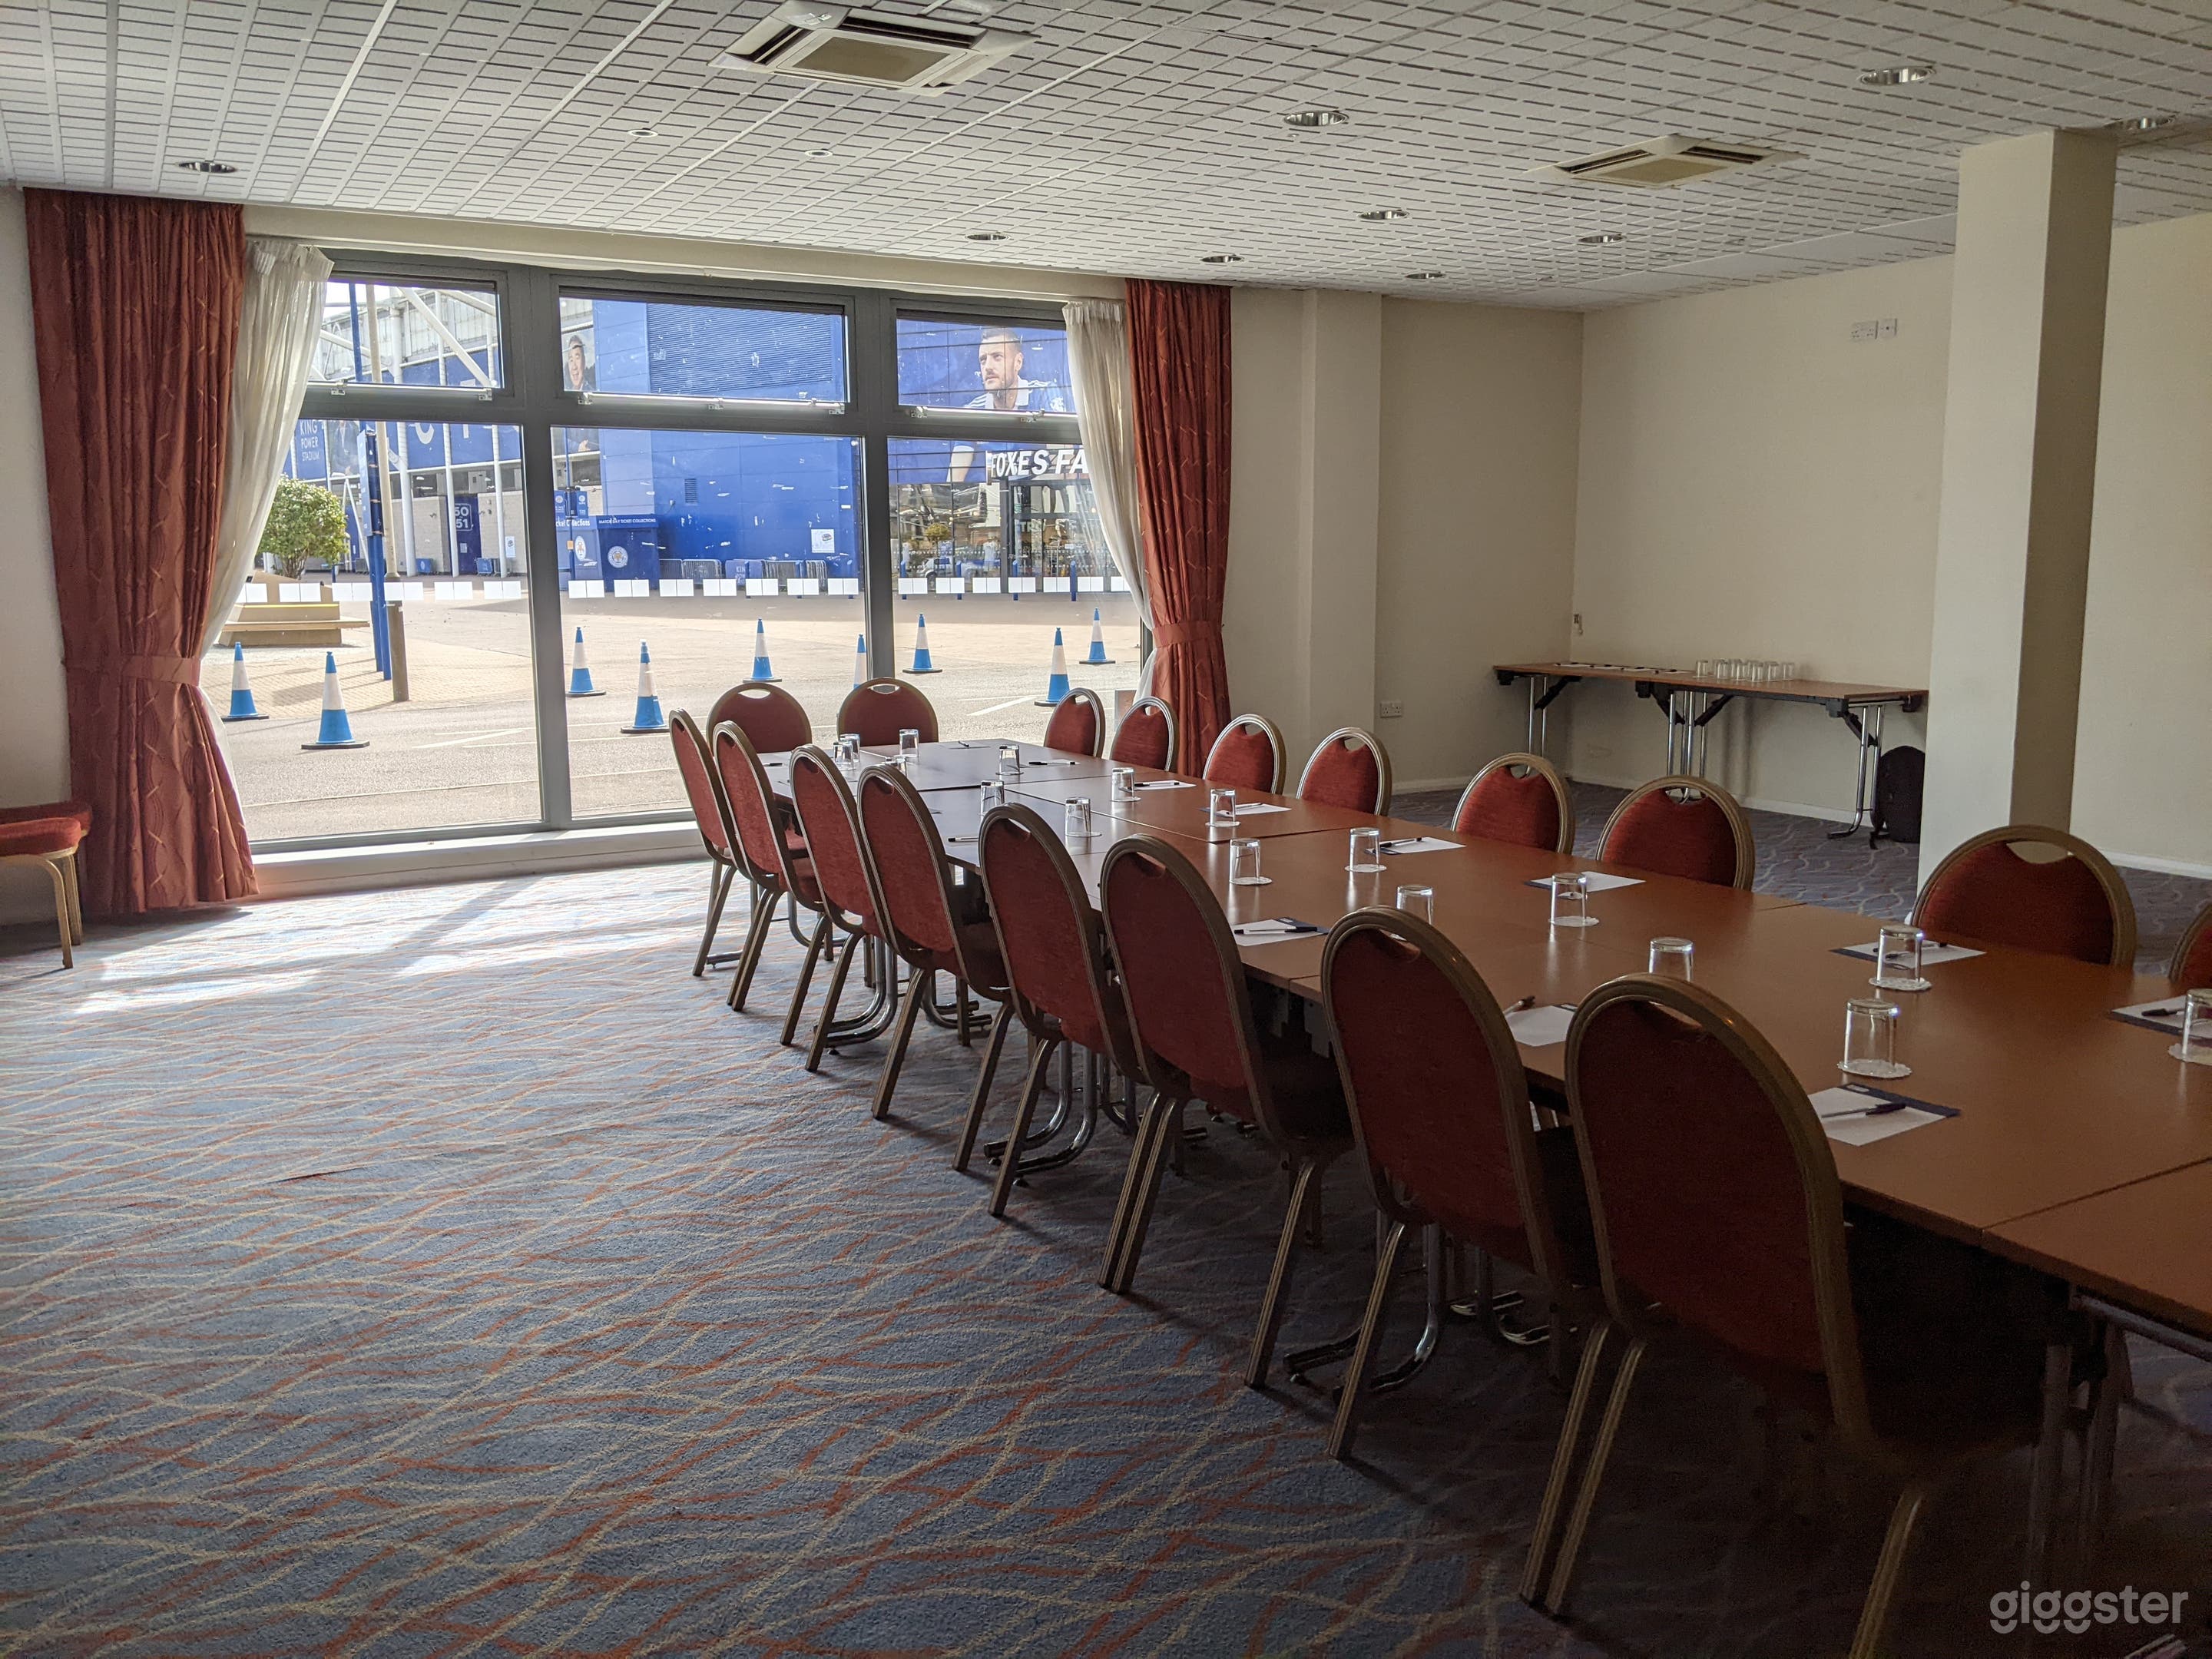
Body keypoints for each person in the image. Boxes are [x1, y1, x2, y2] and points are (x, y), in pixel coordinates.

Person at [949, 329, 1065, 482]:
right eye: (983, 360)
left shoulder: (1042, 394)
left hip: (1041, 498)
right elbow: (954, 480)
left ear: (1018, 362)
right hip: (993, 501)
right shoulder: (973, 411)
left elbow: (1064, 465)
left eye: (997, 357)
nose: (988, 367)